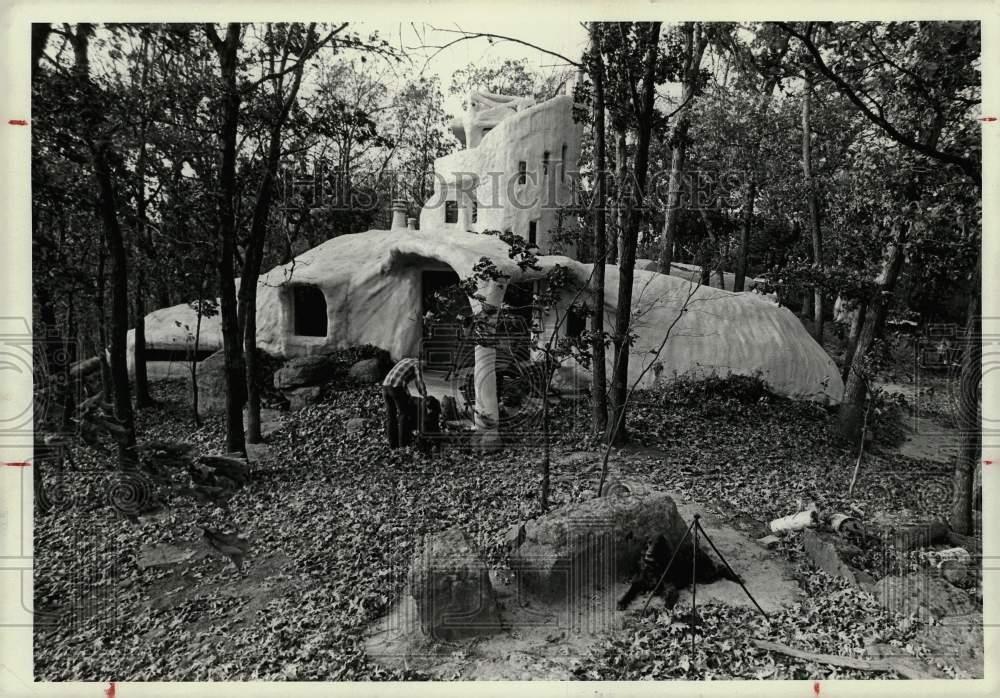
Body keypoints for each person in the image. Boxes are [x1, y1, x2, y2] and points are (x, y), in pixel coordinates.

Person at [382, 357, 428, 449]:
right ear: (422, 362)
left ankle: (392, 445)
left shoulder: (405, 360)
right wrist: (425, 395)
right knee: (404, 414)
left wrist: (408, 395)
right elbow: (419, 382)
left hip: (385, 386)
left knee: (391, 416)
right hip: (395, 388)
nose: (423, 369)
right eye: (424, 367)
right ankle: (403, 444)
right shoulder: (417, 364)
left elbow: (402, 381)